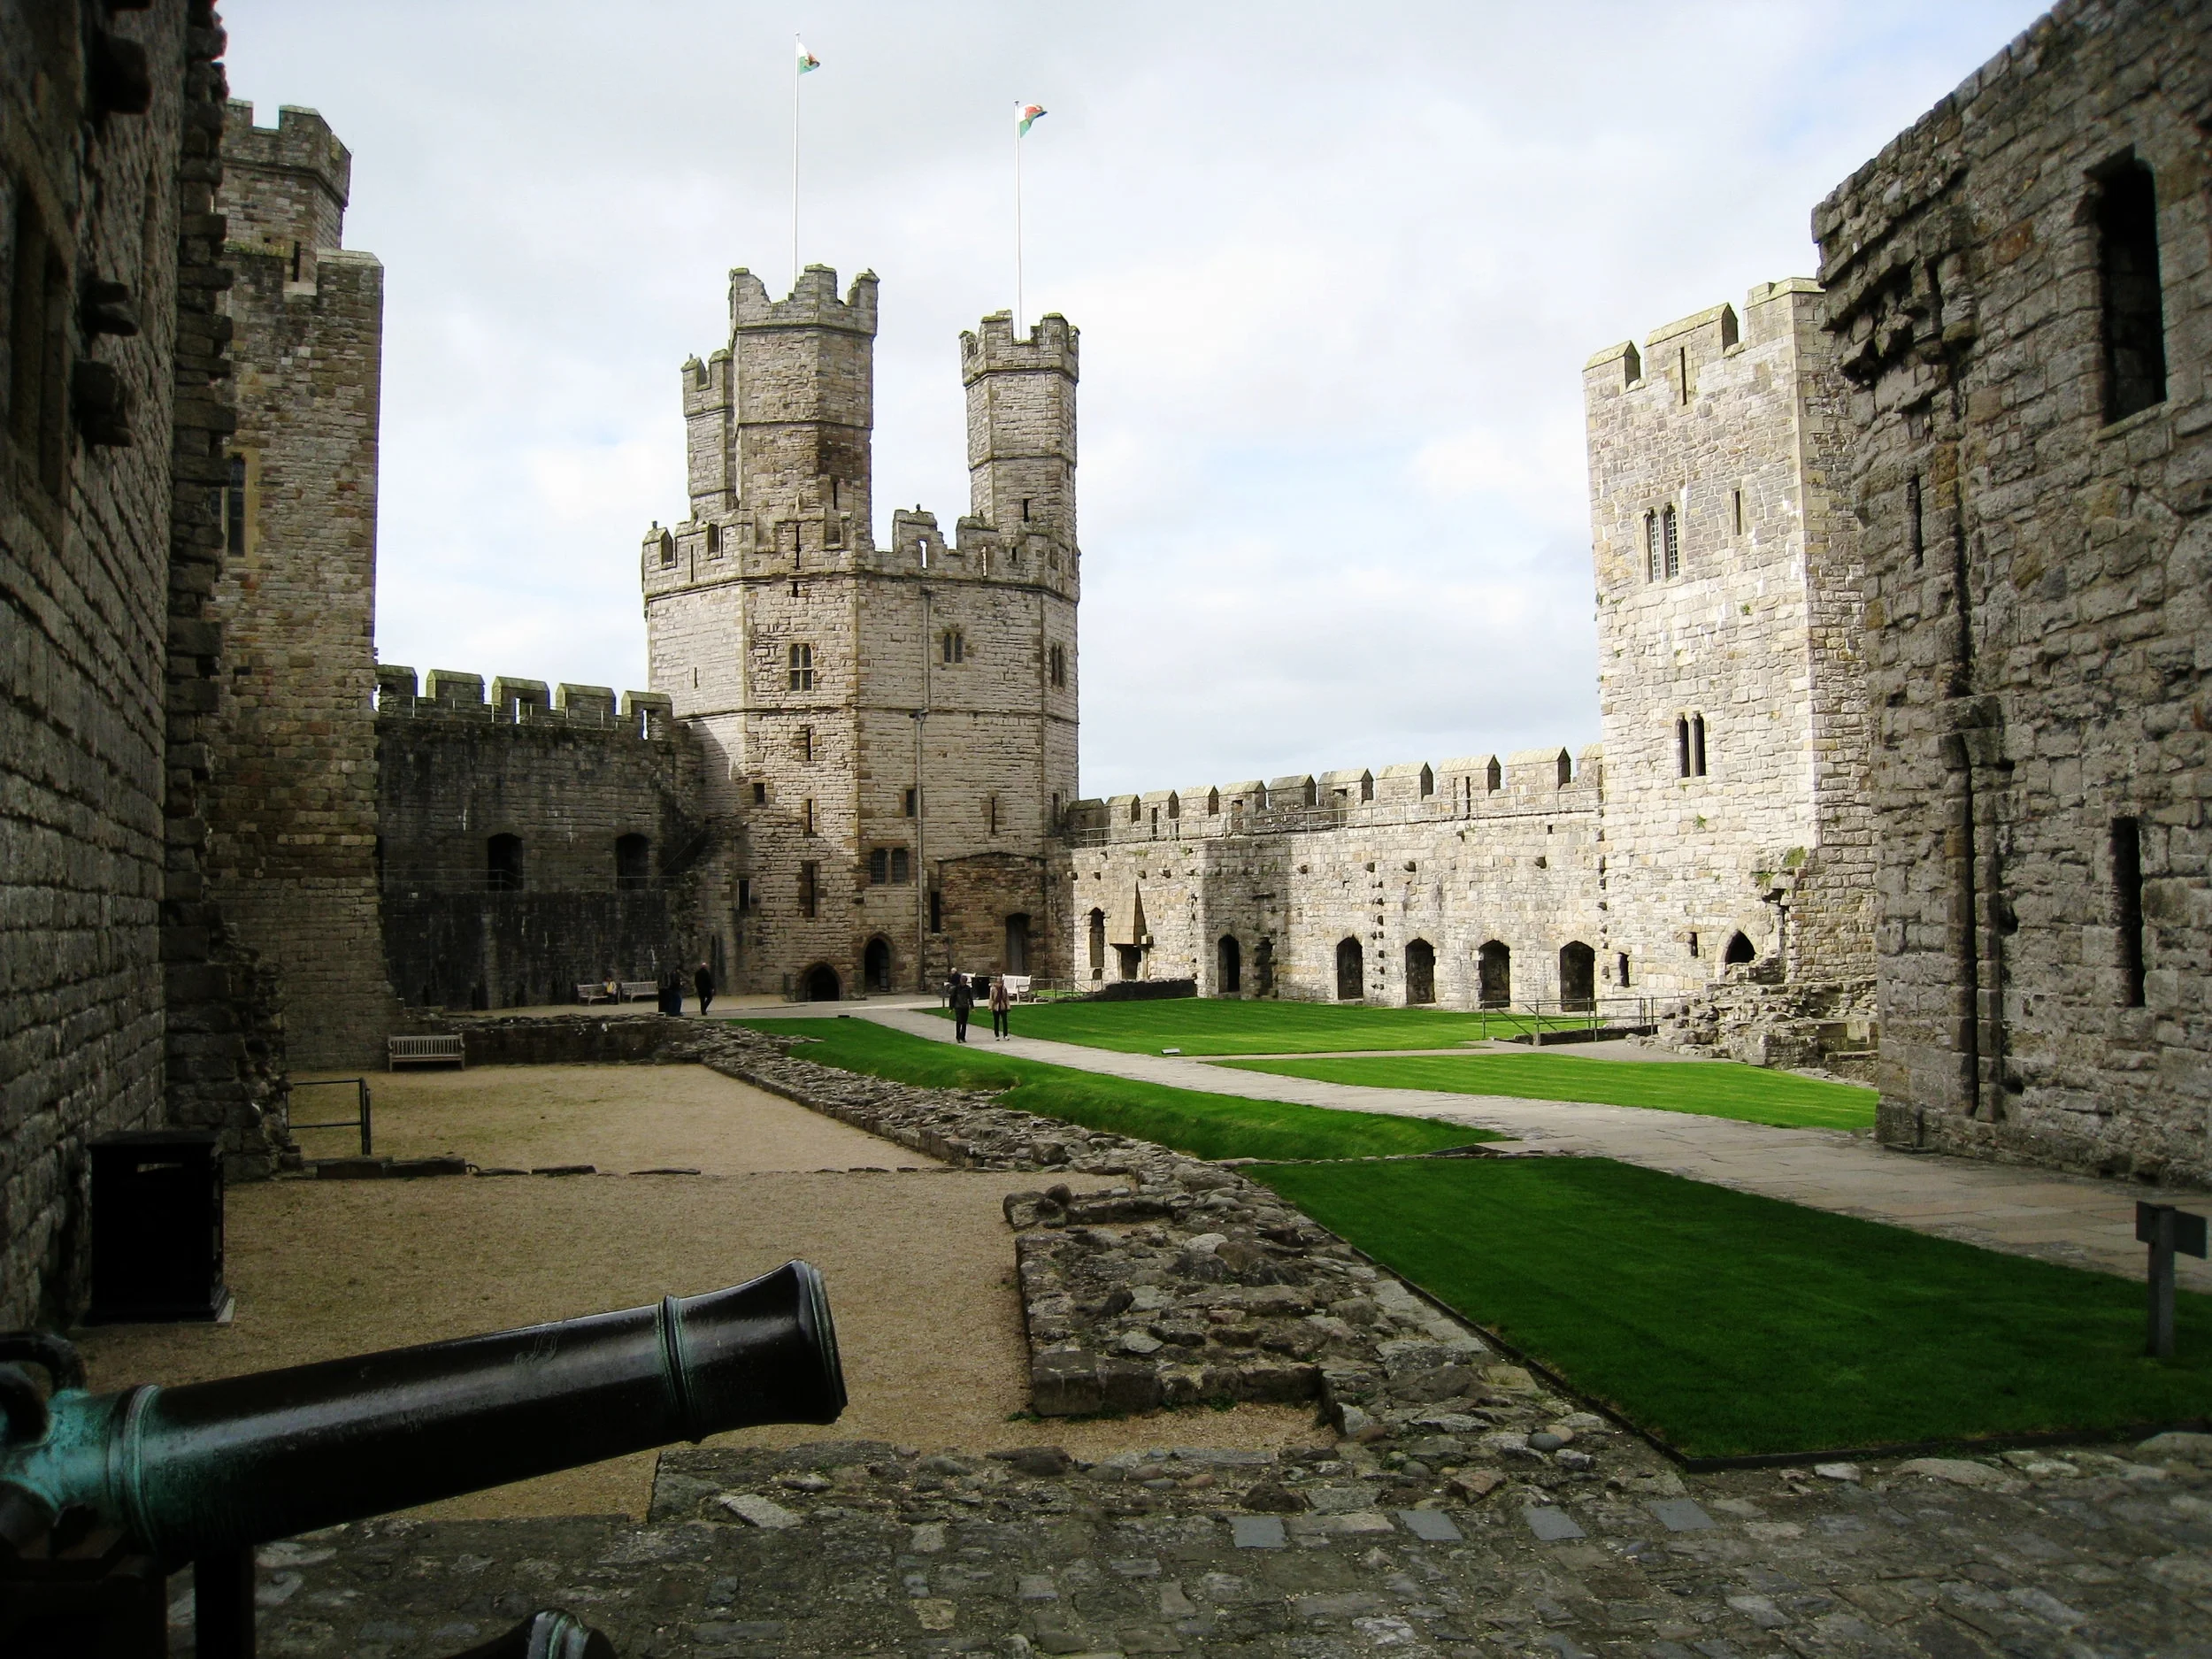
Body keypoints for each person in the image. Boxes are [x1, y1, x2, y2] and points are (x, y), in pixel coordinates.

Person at [949, 972, 974, 1043]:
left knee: (964, 1023)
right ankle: (958, 1037)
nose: (963, 982)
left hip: (965, 1007)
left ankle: (963, 1036)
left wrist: (972, 1007)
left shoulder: (967, 988)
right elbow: (952, 998)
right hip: (958, 1007)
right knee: (959, 1021)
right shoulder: (956, 988)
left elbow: (970, 998)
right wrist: (951, 1008)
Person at [989, 974, 1011, 1041]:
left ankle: (1005, 1035)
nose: (1000, 984)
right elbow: (991, 998)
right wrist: (990, 1007)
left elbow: (1006, 998)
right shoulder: (993, 989)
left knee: (1005, 1021)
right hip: (996, 1006)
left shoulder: (1004, 989)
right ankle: (997, 1035)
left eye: (1001, 982)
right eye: (998, 982)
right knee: (996, 1021)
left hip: (1003, 1006)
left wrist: (1008, 1006)